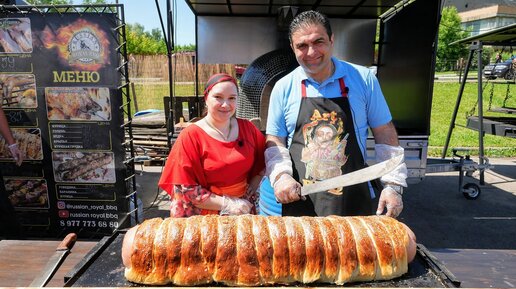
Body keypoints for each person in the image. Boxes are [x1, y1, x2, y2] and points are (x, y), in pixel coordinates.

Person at [264, 10, 407, 218]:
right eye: (302, 46)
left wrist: (393, 184)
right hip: (302, 203)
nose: (311, 52)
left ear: (331, 40)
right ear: (292, 48)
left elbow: (384, 131)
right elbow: (275, 139)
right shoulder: (283, 87)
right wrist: (280, 177)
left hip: (353, 200)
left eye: (318, 41)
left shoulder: (363, 79)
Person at [158, 73, 266, 217]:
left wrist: (250, 190)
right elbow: (186, 189)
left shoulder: (248, 129)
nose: (225, 104)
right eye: (218, 97)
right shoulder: (190, 136)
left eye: (232, 98)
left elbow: (263, 162)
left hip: (241, 211)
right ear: (206, 98)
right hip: (202, 215)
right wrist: (227, 203)